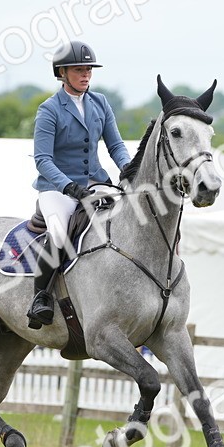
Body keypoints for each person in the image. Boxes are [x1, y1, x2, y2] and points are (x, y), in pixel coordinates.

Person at [25, 40, 131, 329]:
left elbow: (116, 145)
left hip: (95, 182)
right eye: (79, 70)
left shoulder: (100, 103)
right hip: (56, 188)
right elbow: (43, 159)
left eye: (88, 70)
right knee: (59, 234)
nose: (85, 75)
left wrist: (128, 168)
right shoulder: (49, 110)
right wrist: (68, 186)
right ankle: (41, 298)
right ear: (62, 72)